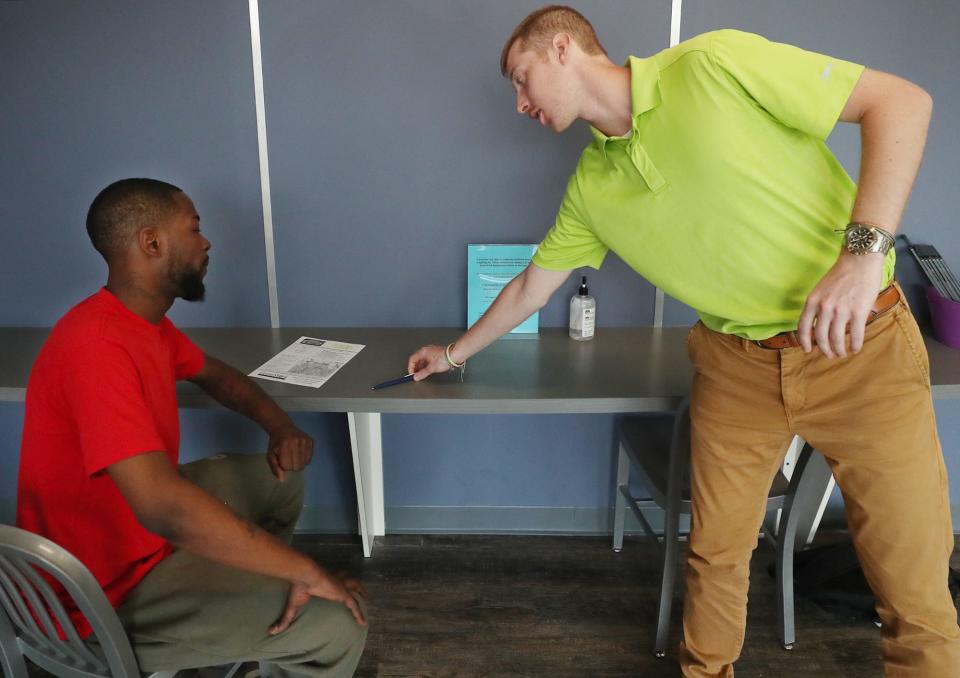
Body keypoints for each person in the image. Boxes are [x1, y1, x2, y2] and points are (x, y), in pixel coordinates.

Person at [407, 6, 959, 676]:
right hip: (736, 367)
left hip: (862, 348)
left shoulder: (711, 64)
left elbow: (902, 102)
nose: (519, 103)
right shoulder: (592, 187)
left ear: (561, 49)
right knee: (714, 558)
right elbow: (531, 289)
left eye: (521, 80)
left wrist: (862, 254)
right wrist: (454, 354)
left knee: (913, 590)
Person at [17, 178, 368, 677]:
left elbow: (218, 376)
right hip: (99, 601)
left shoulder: (140, 323)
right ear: (152, 243)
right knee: (338, 622)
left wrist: (280, 426)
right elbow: (165, 510)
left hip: (138, 541)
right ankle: (270, 614)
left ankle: (251, 617)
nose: (207, 243)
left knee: (277, 484)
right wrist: (308, 571)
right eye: (195, 228)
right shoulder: (95, 346)